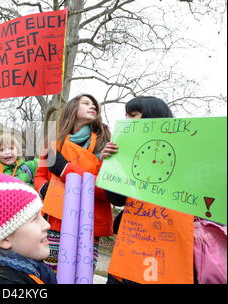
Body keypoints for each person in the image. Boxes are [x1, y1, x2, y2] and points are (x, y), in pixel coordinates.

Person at [102, 96, 194, 284]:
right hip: (132, 246)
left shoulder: (187, 155)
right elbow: (117, 199)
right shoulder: (124, 151)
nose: (127, 120)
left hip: (170, 251)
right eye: (125, 115)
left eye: (133, 115)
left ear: (153, 117)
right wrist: (109, 163)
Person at [33, 94, 113, 272]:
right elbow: (39, 175)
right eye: (86, 103)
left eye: (94, 104)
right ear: (72, 109)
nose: (92, 106)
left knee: (81, 274)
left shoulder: (104, 141)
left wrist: (65, 170)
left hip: (90, 221)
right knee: (50, 273)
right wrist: (44, 188)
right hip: (56, 219)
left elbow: (105, 188)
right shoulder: (54, 141)